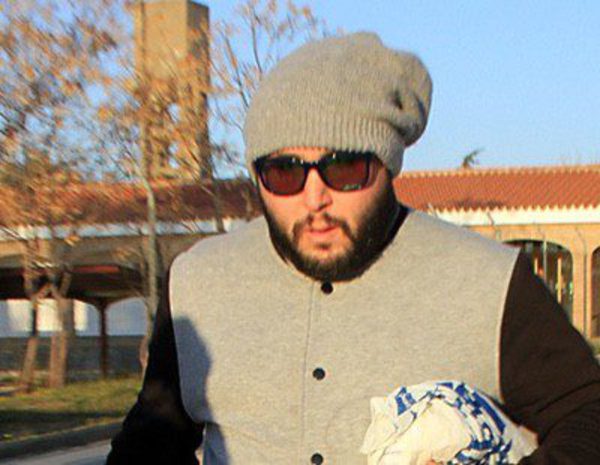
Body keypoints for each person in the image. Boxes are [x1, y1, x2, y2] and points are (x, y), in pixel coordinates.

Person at [106, 33, 600, 465]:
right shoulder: (197, 282)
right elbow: (153, 440)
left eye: (343, 169)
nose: (314, 198)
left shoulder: (489, 281)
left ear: (387, 166)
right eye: (285, 172)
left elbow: (586, 413)